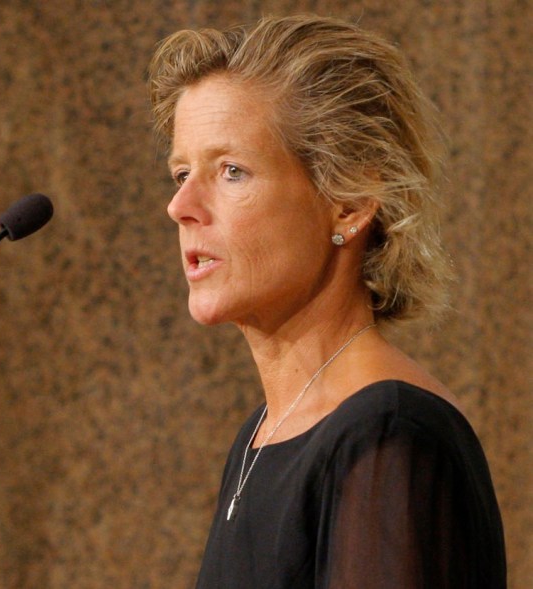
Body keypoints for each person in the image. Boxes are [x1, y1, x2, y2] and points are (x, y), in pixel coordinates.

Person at [148, 14, 506, 589]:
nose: (181, 205)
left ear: (349, 202)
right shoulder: (264, 435)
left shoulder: (387, 435)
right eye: (181, 172)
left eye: (231, 171)